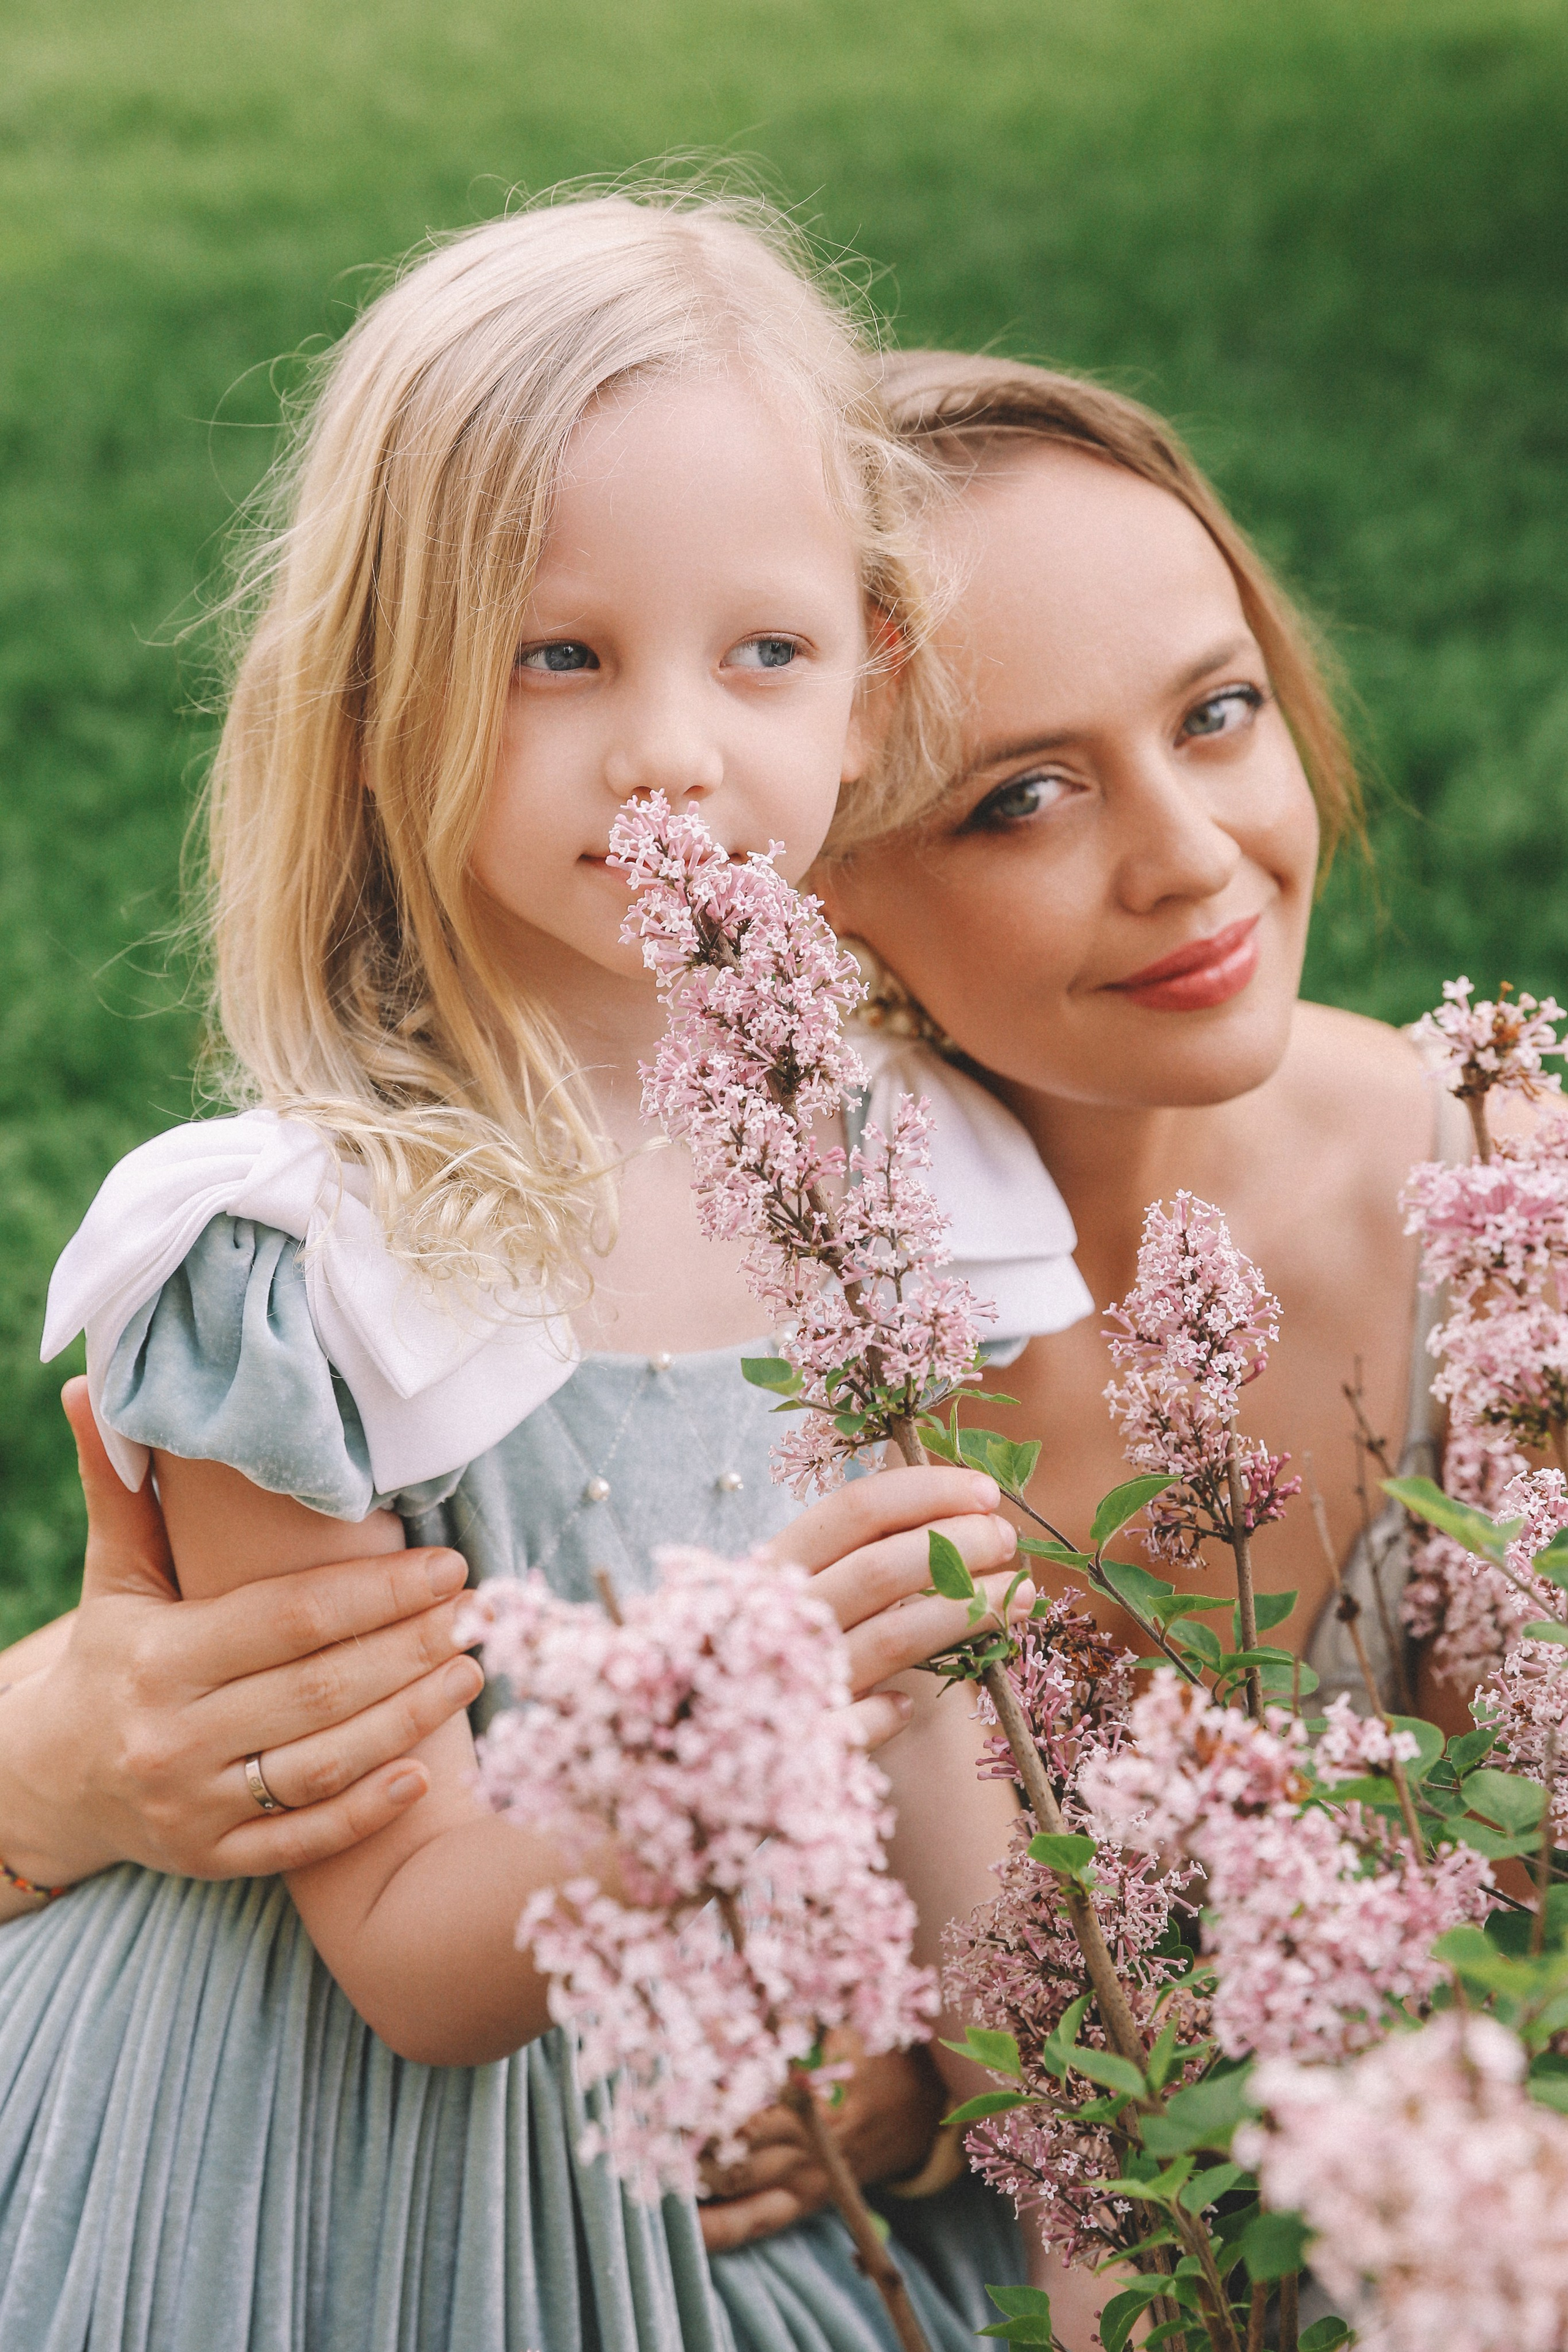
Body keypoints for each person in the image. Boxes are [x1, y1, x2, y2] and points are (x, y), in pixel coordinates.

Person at [0, 199, 1070, 2352]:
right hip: (350, 2187)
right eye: (556, 655)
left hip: (765, 2150)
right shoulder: (294, 1259)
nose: (670, 748)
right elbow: (405, 1953)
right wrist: (737, 1703)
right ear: (388, 687)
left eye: (759, 653)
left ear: (865, 677)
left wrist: (1003, 2104)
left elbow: (970, 1719)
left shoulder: (930, 1173)